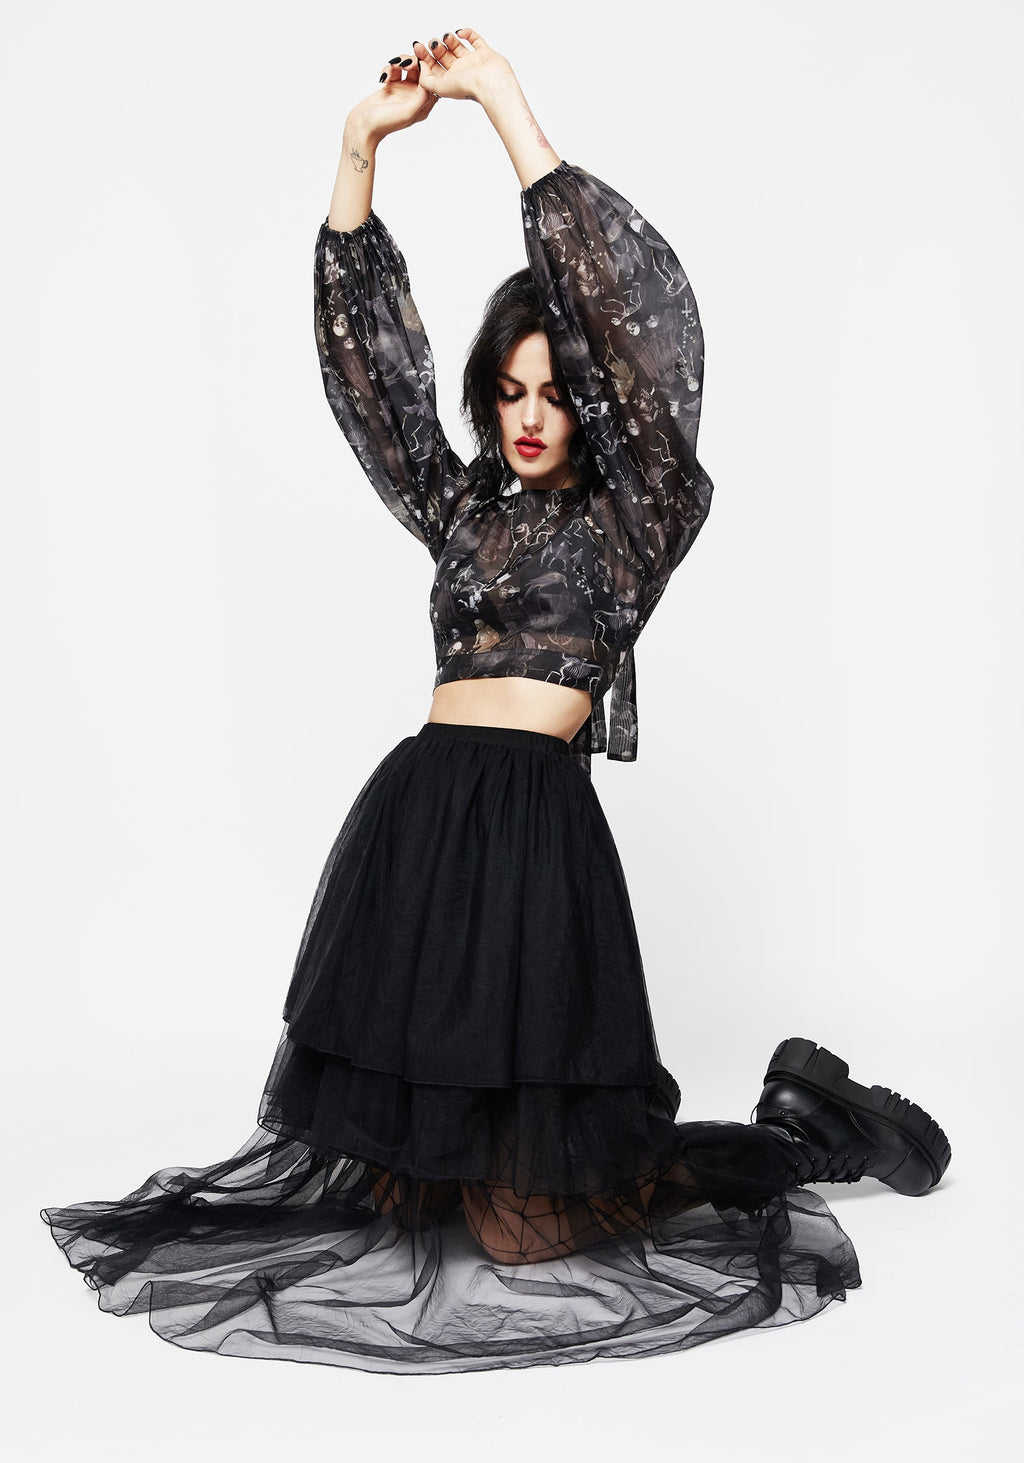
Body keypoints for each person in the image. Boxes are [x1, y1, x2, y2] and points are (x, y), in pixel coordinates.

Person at [40, 28, 951, 1374]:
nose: (530, 416)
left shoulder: (638, 515)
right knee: (399, 1191)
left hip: (533, 842)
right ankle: (782, 1121)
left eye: (556, 394)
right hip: (418, 832)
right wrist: (359, 149)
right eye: (510, 391)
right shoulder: (462, 506)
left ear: (594, 406)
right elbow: (373, 382)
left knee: (529, 1233)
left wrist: (504, 109)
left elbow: (635, 326)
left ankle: (804, 1131)